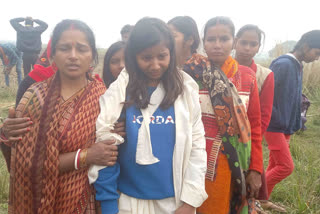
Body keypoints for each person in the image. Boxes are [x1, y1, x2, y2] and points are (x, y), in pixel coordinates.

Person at [0, 19, 122, 214]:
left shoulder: (104, 97)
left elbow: (114, 151)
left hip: (89, 201)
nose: (73, 56)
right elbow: (27, 166)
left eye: (81, 49)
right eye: (64, 48)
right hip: (41, 203)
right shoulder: (35, 97)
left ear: (92, 56)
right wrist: (87, 155)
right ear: (52, 55)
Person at [89, 17, 208, 214]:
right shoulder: (119, 91)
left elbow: (197, 147)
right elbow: (105, 147)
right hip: (126, 201)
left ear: (171, 52)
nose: (155, 65)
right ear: (134, 57)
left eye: (162, 56)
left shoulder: (185, 90)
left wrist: (189, 203)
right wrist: (109, 203)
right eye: (146, 57)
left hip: (174, 202)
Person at [184, 16, 263, 214]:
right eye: (211, 39)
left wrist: (255, 169)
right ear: (203, 41)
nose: (217, 45)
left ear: (233, 41)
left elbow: (254, 125)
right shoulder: (189, 75)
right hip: (192, 162)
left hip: (233, 163)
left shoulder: (246, 77)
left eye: (224, 39)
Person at [263, 30, 320, 212]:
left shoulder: (297, 65)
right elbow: (265, 93)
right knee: (285, 167)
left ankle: (263, 200)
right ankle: (251, 194)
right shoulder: (284, 64)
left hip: (286, 125)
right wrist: (276, 118)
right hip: (275, 125)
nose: (317, 58)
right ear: (305, 46)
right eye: (316, 53)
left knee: (274, 164)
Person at [234, 24, 275, 213]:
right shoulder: (219, 68)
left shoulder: (264, 75)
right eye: (243, 42)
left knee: (247, 187)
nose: (247, 48)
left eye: (253, 44)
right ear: (235, 42)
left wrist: (250, 144)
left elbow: (263, 116)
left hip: (248, 140)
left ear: (259, 47)